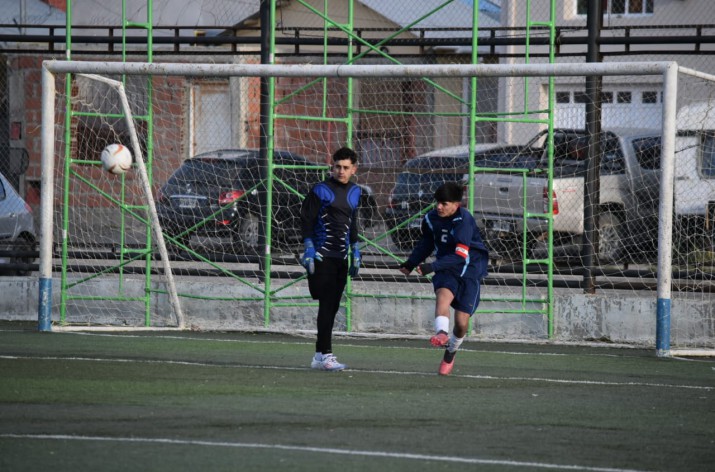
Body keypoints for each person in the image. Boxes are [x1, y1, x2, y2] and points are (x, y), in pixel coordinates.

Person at [398, 181, 488, 376]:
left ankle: (451, 352)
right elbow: (427, 243)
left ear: (456, 205)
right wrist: (411, 262)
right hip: (446, 269)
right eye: (437, 202)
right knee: (442, 295)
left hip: (470, 269)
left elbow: (460, 255)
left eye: (444, 203)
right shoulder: (431, 218)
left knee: (462, 322)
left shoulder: (464, 220)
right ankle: (441, 333)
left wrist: (432, 266)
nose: (439, 206)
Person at [300, 147, 362, 372]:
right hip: (321, 254)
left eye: (346, 167)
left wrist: (355, 249)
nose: (341, 171)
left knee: (332, 306)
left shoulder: (356, 192)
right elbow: (306, 219)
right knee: (324, 299)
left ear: (354, 169)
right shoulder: (320, 190)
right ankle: (326, 355)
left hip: (340, 257)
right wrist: (308, 247)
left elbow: (353, 223)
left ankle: (319, 355)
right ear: (332, 166)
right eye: (337, 166)